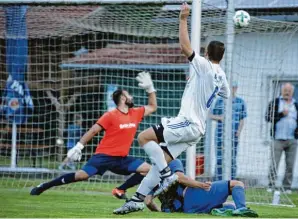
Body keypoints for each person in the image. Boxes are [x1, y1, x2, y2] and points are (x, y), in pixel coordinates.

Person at [113, 2, 230, 214]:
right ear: (221, 57)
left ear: (206, 53)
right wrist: (198, 84)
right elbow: (225, 94)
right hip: (198, 130)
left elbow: (185, 48)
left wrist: (183, 18)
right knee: (161, 161)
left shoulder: (204, 65)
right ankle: (137, 199)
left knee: (144, 138)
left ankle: (168, 177)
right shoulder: (221, 75)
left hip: (188, 121)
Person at [30, 72, 157, 196]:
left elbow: (152, 106)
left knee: (148, 169)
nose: (132, 97)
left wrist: (150, 89)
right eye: (129, 95)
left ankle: (120, 190)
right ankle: (45, 185)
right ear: (123, 98)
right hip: (103, 157)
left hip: (121, 159)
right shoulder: (110, 115)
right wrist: (79, 146)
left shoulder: (135, 113)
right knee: (81, 176)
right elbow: (93, 130)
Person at [129, 159, 258, 217]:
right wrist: (201, 184)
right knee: (236, 184)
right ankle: (242, 209)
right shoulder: (173, 162)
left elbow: (148, 201)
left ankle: (217, 210)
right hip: (192, 197)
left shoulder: (151, 176)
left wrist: (159, 213)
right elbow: (180, 178)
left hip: (181, 210)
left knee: (229, 205)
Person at [265, 82, 298, 194]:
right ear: (281, 91)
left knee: (290, 165)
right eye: (285, 90)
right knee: (274, 164)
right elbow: (268, 117)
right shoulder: (275, 102)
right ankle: (271, 185)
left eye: (289, 90)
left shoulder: (295, 105)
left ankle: (287, 187)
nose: (287, 92)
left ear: (292, 92)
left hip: (292, 139)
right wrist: (281, 114)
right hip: (277, 138)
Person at [209, 82, 247, 180]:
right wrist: (220, 117)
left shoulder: (240, 102)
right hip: (220, 135)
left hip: (234, 135)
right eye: (230, 87)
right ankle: (218, 180)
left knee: (232, 159)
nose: (232, 89)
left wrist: (238, 132)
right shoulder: (220, 101)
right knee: (219, 158)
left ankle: (232, 180)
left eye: (234, 87)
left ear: (236, 88)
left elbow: (242, 119)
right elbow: (211, 115)